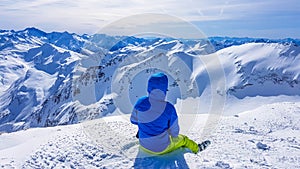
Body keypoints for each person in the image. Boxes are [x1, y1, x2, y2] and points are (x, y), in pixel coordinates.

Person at [130, 72, 210, 155]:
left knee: (145, 124)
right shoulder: (169, 108)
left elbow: (133, 120)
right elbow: (175, 133)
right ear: (164, 90)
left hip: (143, 145)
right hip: (161, 149)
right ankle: (197, 148)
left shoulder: (140, 102)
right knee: (183, 139)